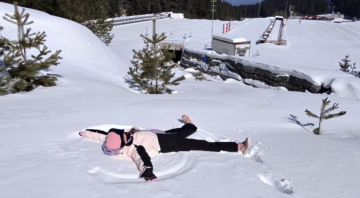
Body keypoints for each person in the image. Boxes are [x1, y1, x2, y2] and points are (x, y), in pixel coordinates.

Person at [79, 115, 251, 182]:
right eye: (125, 137)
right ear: (123, 145)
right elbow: (142, 160)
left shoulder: (110, 139)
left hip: (158, 134)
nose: (127, 134)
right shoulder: (134, 149)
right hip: (166, 144)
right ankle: (239, 147)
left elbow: (99, 135)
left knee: (178, 131)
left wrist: (86, 133)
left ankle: (191, 127)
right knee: (202, 144)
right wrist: (147, 172)